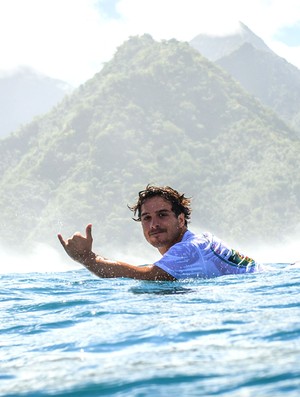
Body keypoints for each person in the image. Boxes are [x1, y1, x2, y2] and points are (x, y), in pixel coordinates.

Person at [58, 184, 265, 281]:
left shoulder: (189, 248)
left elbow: (150, 276)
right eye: (147, 218)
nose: (153, 224)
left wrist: (88, 259)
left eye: (162, 215)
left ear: (181, 220)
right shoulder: (197, 244)